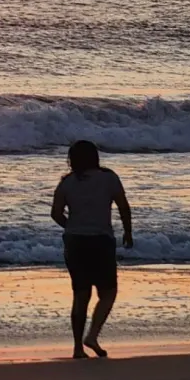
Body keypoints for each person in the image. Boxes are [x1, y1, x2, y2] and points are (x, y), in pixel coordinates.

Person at [50, 140, 133, 359]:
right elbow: (123, 207)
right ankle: (92, 335)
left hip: (75, 242)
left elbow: (56, 213)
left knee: (80, 294)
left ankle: (77, 348)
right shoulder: (108, 178)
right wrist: (128, 233)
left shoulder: (67, 182)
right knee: (108, 292)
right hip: (100, 240)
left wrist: (72, 226)